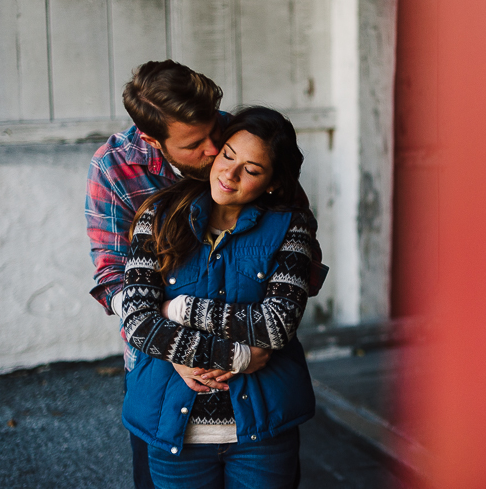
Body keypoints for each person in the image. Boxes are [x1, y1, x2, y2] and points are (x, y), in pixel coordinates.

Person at [85, 61, 324, 489]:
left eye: (217, 131)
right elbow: (113, 279)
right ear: (152, 141)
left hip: (258, 395)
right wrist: (198, 351)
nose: (216, 152)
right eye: (197, 144)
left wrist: (183, 309)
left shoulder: (245, 138)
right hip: (161, 368)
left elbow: (298, 257)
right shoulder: (116, 171)